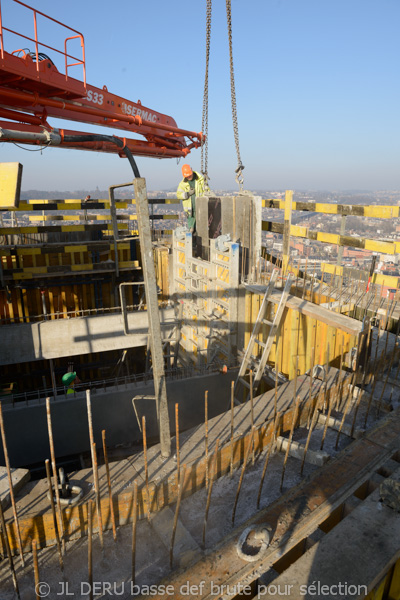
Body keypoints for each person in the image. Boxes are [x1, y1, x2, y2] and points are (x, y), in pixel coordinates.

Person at [176, 164, 206, 233]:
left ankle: (200, 242)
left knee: (201, 228)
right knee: (191, 229)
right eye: (187, 176)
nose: (189, 177)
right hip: (190, 211)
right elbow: (179, 195)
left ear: (191, 170)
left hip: (201, 208)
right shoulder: (182, 184)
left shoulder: (200, 180)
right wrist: (187, 194)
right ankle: (193, 242)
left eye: (189, 175)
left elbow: (206, 191)